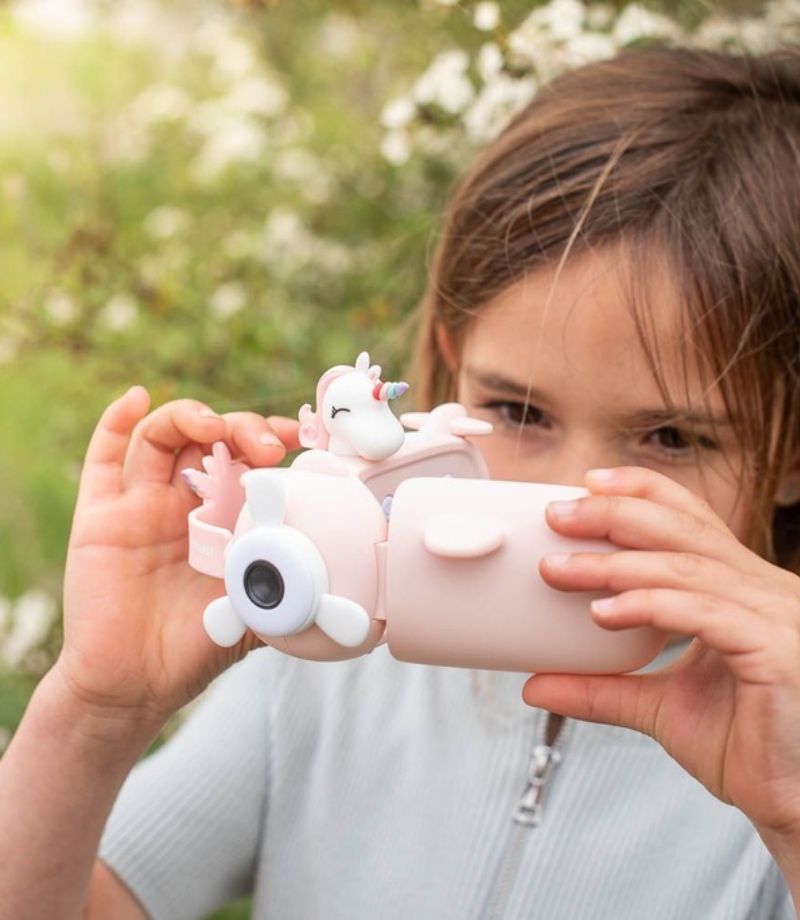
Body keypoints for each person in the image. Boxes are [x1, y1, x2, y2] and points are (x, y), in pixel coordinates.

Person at [2, 43, 800, 919]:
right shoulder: (324, 657)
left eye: (672, 437)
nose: (572, 502)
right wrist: (94, 709)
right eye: (519, 411)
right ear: (454, 366)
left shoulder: (776, 733)